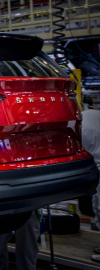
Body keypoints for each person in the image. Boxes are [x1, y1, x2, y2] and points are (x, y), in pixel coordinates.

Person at [81, 97, 100, 261]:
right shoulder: (94, 115)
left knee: (98, 207)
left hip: (94, 164)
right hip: (95, 163)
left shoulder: (81, 119)